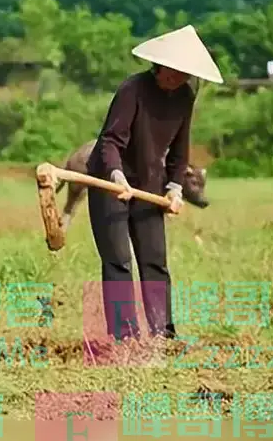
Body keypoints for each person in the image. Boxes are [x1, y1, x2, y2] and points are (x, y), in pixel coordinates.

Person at [86, 25, 223, 342]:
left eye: (185, 75)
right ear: (159, 65)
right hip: (110, 179)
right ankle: (126, 337)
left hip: (149, 183)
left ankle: (163, 333)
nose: (177, 79)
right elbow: (110, 141)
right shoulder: (132, 90)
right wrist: (115, 177)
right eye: (173, 72)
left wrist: (174, 187)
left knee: (154, 259)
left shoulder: (184, 97)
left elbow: (179, 148)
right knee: (119, 259)